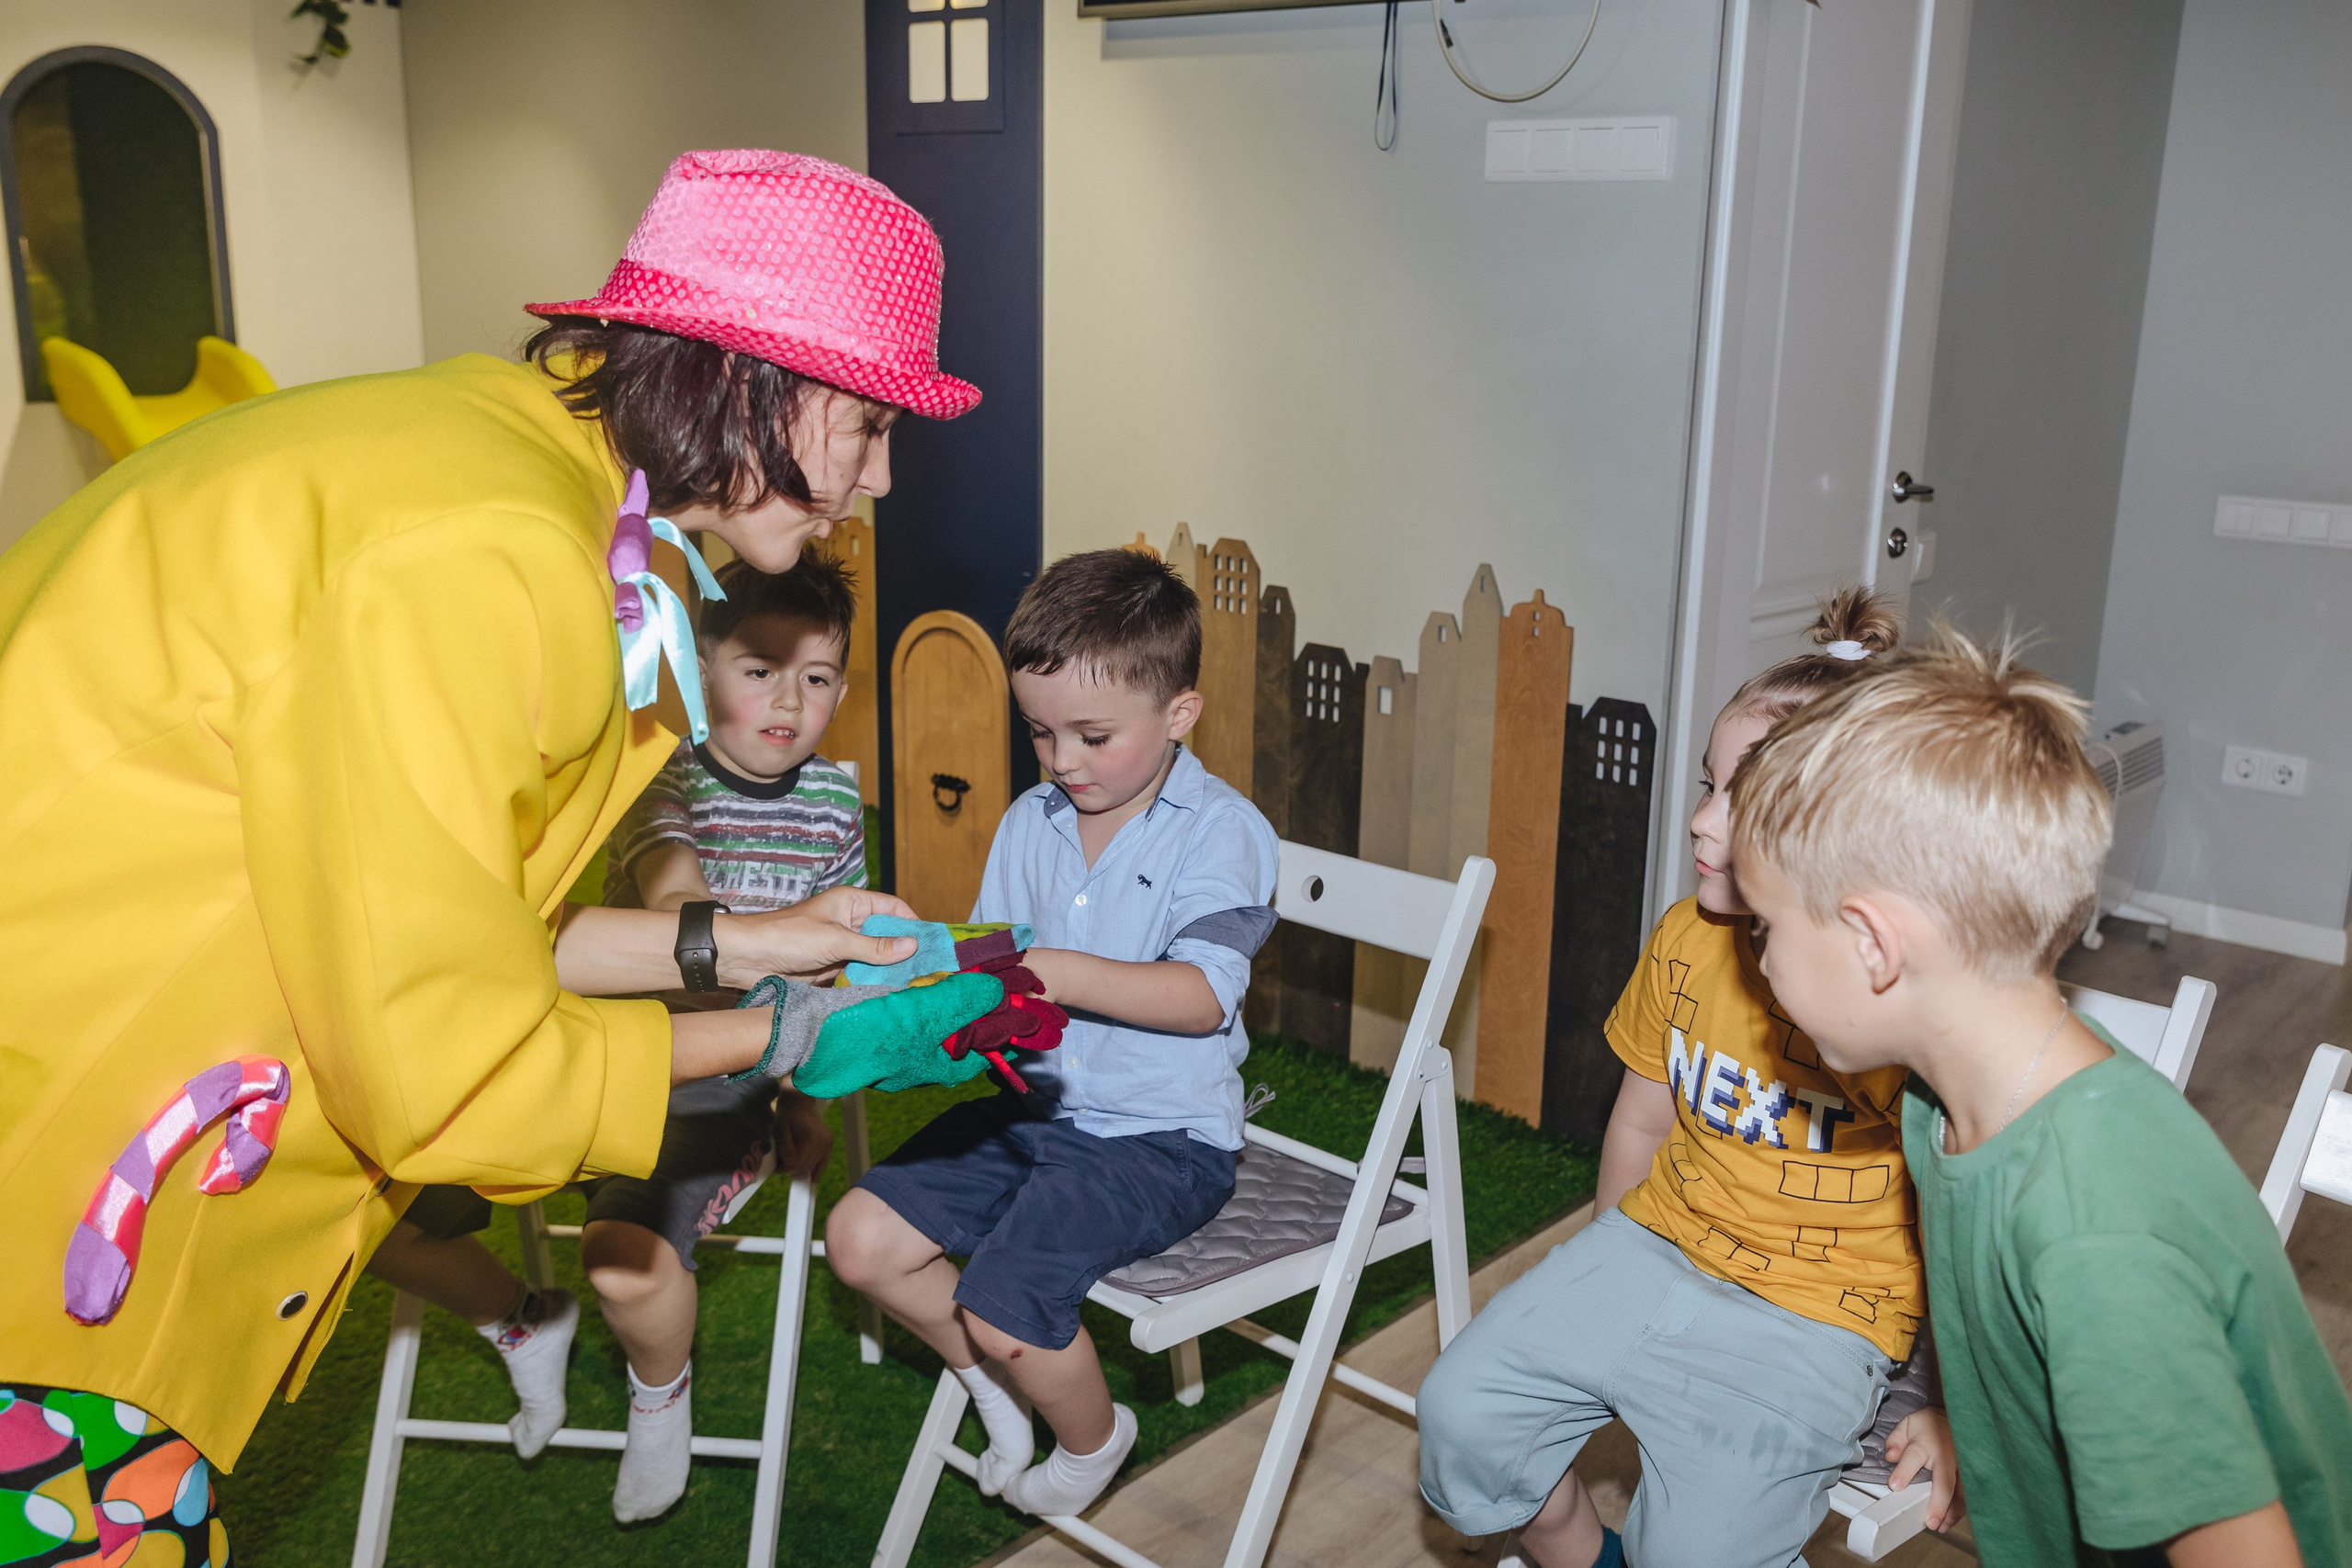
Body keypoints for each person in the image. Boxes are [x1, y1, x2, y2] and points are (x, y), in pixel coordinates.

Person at [0, 151, 1000, 1548]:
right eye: (871, 421)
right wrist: (784, 1034)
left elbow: (453, 919)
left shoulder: (507, 465)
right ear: (750, 378)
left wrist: (762, 941)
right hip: (43, 1192)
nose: (882, 475)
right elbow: (446, 1064)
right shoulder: (485, 551)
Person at [1729, 626, 2352, 1568]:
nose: (1760, 957)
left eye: (1766, 926)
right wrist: (1966, 1410)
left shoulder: (2094, 1238)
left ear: (1872, 944)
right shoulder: (1946, 1099)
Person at [1417, 590, 1960, 1568]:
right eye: (1708, 784)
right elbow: (1638, 1121)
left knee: (1700, 1552)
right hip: (1657, 1243)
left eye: (1735, 801)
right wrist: (1605, 1262)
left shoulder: (1898, 1010)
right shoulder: (1687, 939)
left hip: (1817, 1318)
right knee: (1466, 1416)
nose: (1701, 821)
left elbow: (1970, 1231)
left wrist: (1959, 1414)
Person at [357, 549, 870, 1520]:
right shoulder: (656, 777)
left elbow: (833, 969)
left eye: (817, 677)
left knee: (620, 1261)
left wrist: (802, 1091)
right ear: (697, 667)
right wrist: (757, 944)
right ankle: (520, 1323)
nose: (790, 701)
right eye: (759, 670)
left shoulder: (837, 803)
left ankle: (659, 1394)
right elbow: (676, 893)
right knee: (374, 1209)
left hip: (720, 1077)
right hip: (583, 1042)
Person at [826, 547, 1278, 1518]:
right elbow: (999, 949)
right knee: (859, 1240)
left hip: (1160, 1141)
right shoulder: (1033, 820)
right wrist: (920, 976)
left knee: (1001, 1304)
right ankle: (990, 1383)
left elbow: (1203, 997)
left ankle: (1093, 1436)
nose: (1063, 761)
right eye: (1040, 734)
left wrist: (1057, 974)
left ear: (1180, 714)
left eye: (1091, 735)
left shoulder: (1220, 831)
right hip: (1035, 1112)